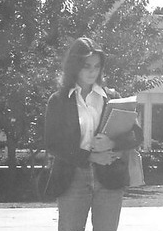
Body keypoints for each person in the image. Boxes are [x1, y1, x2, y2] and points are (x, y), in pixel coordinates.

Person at [44, 37, 143, 231]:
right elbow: (53, 143)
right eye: (86, 65)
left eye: (97, 66)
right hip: (72, 178)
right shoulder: (59, 100)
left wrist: (111, 143)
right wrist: (90, 156)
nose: (92, 71)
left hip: (109, 178)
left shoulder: (113, 97)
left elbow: (137, 135)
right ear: (74, 65)